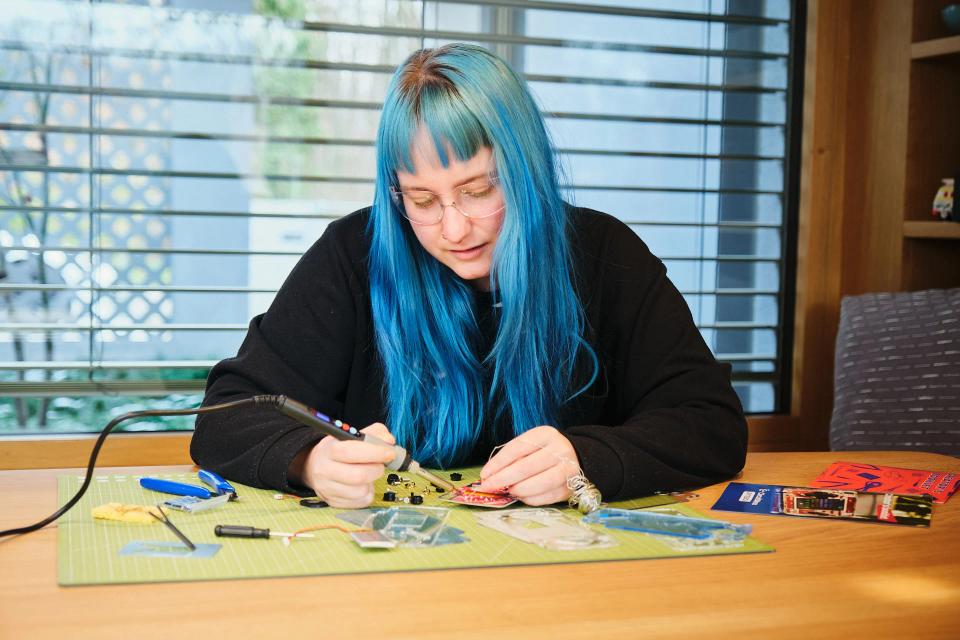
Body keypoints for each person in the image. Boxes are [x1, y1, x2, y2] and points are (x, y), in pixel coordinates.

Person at [191, 43, 747, 509]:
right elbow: (229, 416)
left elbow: (709, 423)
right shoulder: (351, 254)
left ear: (526, 172)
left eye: (479, 191)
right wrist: (310, 460)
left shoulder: (605, 254)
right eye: (422, 200)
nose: (454, 229)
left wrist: (587, 459)